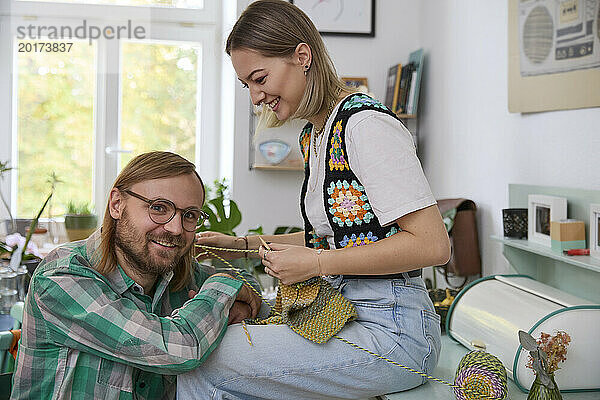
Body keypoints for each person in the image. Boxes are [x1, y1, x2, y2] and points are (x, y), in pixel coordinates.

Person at [178, 1, 451, 398]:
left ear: (302, 56)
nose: (255, 98)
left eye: (259, 78)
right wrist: (243, 247)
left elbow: (432, 244)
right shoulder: (316, 134)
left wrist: (318, 263)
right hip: (346, 314)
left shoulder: (365, 126)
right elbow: (337, 238)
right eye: (247, 85)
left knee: (204, 356)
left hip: (394, 333)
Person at [11, 151, 263, 400]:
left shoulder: (176, 274)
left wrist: (229, 297)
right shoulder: (61, 276)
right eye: (159, 208)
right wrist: (222, 295)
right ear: (117, 204)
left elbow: (244, 281)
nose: (175, 228)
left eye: (189, 215)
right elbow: (179, 348)